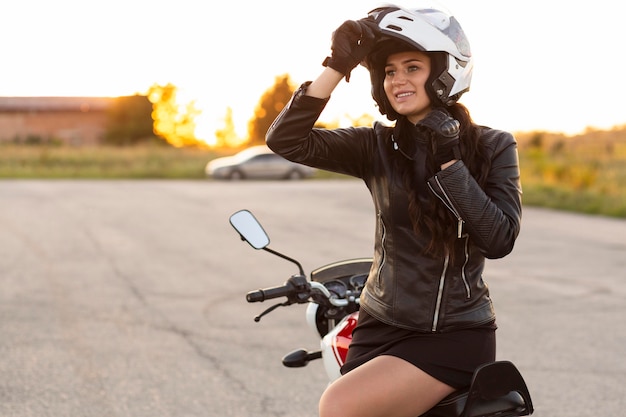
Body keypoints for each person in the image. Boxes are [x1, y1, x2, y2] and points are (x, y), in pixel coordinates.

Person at [266, 2, 523, 417]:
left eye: (412, 67)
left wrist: (449, 162)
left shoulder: (494, 146)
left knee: (339, 406)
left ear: (443, 72)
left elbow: (499, 239)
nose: (398, 80)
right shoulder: (377, 146)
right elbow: (287, 141)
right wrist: (336, 64)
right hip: (376, 322)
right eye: (389, 71)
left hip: (450, 335)